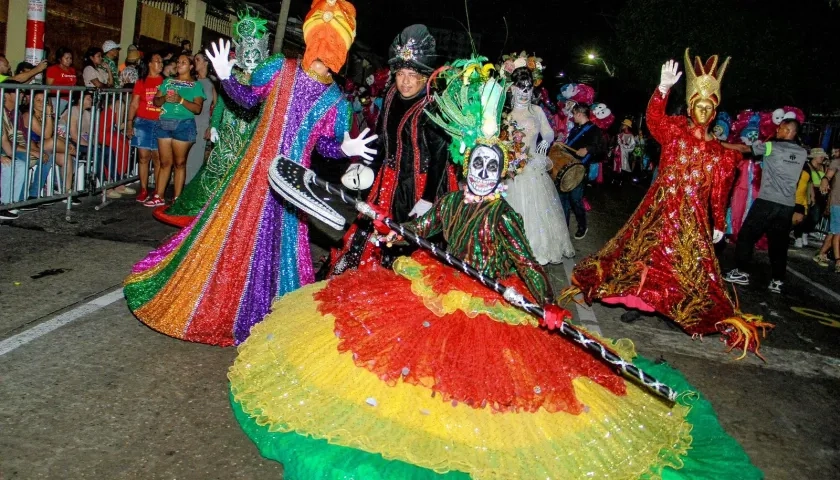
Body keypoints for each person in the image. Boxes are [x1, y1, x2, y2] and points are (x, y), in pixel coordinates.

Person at [226, 55, 762, 480]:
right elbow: (423, 231)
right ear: (469, 168)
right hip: (437, 284)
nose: (482, 173)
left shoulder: (504, 215)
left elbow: (527, 265)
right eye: (476, 165)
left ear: (501, 175)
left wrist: (543, 305)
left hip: (492, 299)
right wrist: (397, 232)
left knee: (489, 383)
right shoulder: (455, 204)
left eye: (491, 167)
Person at [123, 0, 377, 346]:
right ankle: (219, 303)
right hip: (252, 175)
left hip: (291, 184)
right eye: (319, 41)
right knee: (232, 238)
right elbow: (247, 99)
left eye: (330, 46)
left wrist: (344, 149)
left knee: (279, 248)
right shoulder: (280, 69)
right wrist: (227, 78)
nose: (321, 54)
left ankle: (269, 313)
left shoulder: (335, 100)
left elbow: (325, 148)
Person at [572, 52, 770, 353]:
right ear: (690, 107)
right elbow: (654, 119)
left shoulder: (720, 153)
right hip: (660, 210)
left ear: (714, 111)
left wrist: (718, 222)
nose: (702, 110)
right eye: (698, 105)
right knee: (646, 258)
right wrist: (662, 89)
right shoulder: (675, 132)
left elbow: (719, 190)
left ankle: (672, 308)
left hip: (691, 218)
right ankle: (640, 304)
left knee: (684, 265)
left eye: (708, 106)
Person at [327, 24, 455, 276]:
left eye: (413, 75)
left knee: (408, 249)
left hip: (422, 184)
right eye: (401, 73)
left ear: (424, 76)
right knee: (369, 237)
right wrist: (366, 166)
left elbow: (441, 156)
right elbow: (383, 140)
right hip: (389, 180)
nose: (405, 81)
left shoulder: (433, 106)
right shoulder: (390, 95)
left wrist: (428, 199)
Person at [152, 10, 267, 227]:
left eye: (255, 56)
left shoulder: (265, 81)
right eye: (247, 55)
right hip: (229, 132)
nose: (251, 60)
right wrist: (214, 126)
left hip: (252, 134)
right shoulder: (232, 76)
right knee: (216, 172)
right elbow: (222, 101)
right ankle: (209, 208)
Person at [500, 51, 575, 264]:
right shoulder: (504, 112)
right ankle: (509, 248)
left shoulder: (537, 111)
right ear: (512, 89)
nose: (524, 93)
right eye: (520, 89)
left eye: (528, 89)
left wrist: (545, 140)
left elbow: (549, 132)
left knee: (536, 213)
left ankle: (534, 249)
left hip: (532, 166)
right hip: (510, 170)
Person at [723, 118, 807, 293]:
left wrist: (719, 143)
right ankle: (777, 281)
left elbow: (744, 149)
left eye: (781, 129)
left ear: (788, 131)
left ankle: (742, 272)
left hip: (767, 202)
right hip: (786, 206)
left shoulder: (771, 147)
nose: (777, 132)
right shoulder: (802, 153)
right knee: (778, 244)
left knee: (746, 236)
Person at [142, 54, 204, 206]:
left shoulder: (196, 85)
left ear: (191, 67)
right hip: (164, 123)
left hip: (183, 124)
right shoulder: (168, 81)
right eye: (178, 61)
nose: (180, 64)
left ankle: (177, 198)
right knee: (165, 162)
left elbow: (197, 109)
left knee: (180, 163)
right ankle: (159, 195)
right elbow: (155, 101)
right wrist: (164, 99)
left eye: (184, 62)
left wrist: (181, 100)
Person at [561, 103, 603, 239]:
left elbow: (601, 148)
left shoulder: (595, 130)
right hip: (568, 168)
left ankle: (582, 226)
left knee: (575, 200)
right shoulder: (574, 129)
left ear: (579, 113)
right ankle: (564, 228)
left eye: (574, 114)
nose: (573, 117)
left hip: (580, 170)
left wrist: (588, 149)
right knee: (565, 200)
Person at [127, 53, 164, 202]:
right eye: (157, 61)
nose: (160, 64)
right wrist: (130, 122)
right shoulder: (141, 82)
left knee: (158, 158)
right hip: (143, 122)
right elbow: (134, 103)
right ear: (149, 64)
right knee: (143, 157)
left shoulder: (165, 82)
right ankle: (143, 189)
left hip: (160, 123)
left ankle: (157, 189)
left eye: (161, 61)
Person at [182, 51, 215, 184]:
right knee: (184, 157)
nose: (195, 62)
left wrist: (212, 126)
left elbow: (216, 105)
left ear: (206, 62)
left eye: (198, 59)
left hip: (202, 123)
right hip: (188, 121)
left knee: (196, 158)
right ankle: (182, 188)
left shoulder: (212, 82)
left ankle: (190, 187)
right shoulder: (191, 81)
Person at [814, 147, 840, 272]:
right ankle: (838, 261)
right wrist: (824, 180)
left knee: (834, 231)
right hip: (837, 201)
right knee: (837, 232)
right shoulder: (837, 162)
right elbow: (827, 176)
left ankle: (821, 254)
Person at [45, 47, 78, 115]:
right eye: (66, 58)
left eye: (70, 58)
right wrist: (49, 102)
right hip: (57, 100)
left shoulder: (72, 70)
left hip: (70, 100)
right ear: (60, 59)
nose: (69, 60)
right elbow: (48, 87)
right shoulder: (53, 69)